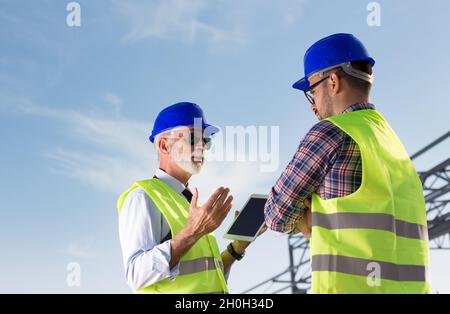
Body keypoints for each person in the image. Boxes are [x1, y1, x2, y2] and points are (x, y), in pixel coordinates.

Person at [264, 33, 430, 293]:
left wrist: (308, 220)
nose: (313, 105)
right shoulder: (391, 142)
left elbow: (276, 216)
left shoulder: (329, 132)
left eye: (312, 91)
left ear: (332, 81)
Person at [118, 102, 258, 294]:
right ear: (164, 145)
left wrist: (236, 248)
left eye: (206, 140)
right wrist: (192, 232)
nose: (202, 146)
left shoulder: (188, 202)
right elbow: (136, 275)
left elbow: (207, 279)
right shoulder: (142, 197)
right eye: (192, 138)